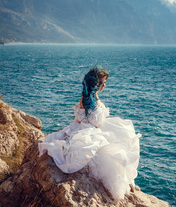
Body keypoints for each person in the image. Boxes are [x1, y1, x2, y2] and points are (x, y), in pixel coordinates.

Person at [38, 66, 141, 199]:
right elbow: (93, 122)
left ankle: (128, 179)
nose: (104, 86)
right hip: (87, 131)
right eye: (102, 83)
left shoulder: (88, 99)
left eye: (105, 83)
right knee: (114, 147)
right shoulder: (88, 101)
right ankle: (126, 181)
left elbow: (81, 118)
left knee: (124, 133)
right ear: (96, 84)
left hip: (85, 128)